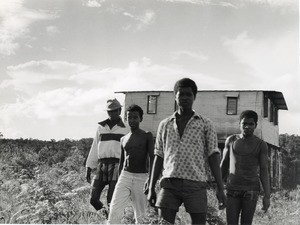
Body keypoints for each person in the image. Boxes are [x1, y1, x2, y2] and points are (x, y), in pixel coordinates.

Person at [147, 78, 226, 225]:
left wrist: (220, 189)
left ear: (194, 97)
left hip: (196, 184)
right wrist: (151, 187)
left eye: (188, 94)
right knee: (164, 222)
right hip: (169, 183)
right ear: (175, 96)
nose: (184, 98)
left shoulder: (205, 124)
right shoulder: (165, 124)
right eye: (181, 94)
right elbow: (158, 155)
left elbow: (213, 156)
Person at [220, 110, 271, 225]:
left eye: (251, 124)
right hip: (232, 189)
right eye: (244, 124)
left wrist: (267, 196)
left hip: (251, 191)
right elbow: (223, 165)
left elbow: (264, 170)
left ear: (256, 125)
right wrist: (219, 188)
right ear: (239, 124)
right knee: (231, 223)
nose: (247, 127)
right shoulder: (231, 140)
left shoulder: (261, 145)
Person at [107, 104, 154, 224]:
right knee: (114, 210)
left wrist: (151, 180)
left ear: (140, 119)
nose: (132, 120)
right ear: (126, 119)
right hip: (125, 176)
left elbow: (153, 158)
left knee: (141, 215)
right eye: (129, 117)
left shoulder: (147, 136)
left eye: (135, 117)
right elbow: (122, 162)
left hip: (141, 177)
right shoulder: (123, 139)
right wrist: (118, 180)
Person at [85, 98, 128, 214]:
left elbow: (129, 150)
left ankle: (113, 220)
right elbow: (95, 146)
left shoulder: (126, 128)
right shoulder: (101, 127)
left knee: (111, 199)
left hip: (117, 165)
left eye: (115, 111)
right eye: (110, 111)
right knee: (93, 199)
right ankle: (107, 217)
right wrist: (89, 167)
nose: (112, 113)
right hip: (102, 165)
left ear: (119, 111)